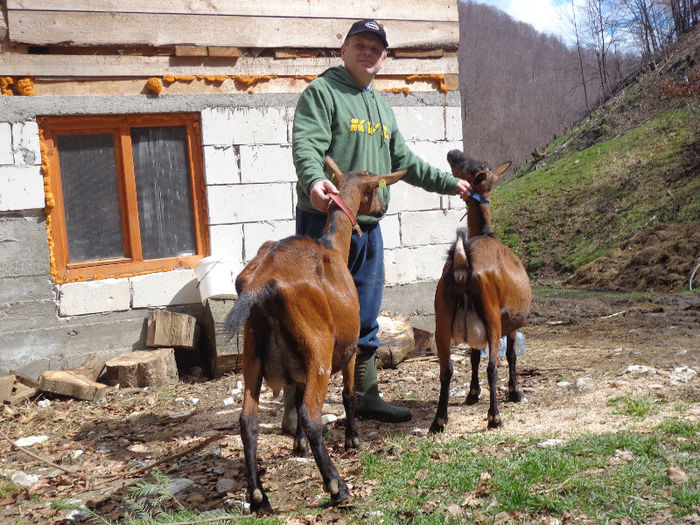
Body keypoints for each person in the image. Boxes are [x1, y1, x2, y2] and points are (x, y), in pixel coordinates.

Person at [283, 19, 472, 433]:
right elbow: (307, 145)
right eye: (360, 45)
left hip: (367, 227)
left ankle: (365, 395)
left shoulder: (381, 108)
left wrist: (448, 182)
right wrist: (315, 181)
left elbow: (405, 164)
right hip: (325, 220)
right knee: (313, 313)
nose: (368, 52)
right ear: (344, 50)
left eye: (376, 48)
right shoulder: (323, 92)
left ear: (383, 58)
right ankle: (296, 406)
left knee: (364, 312)